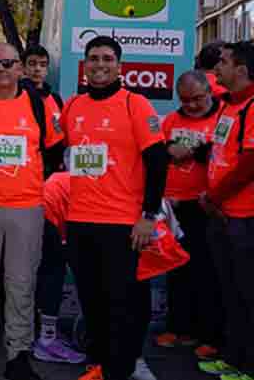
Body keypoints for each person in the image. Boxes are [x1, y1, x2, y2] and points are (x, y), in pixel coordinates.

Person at [61, 35, 167, 380]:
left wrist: (149, 215)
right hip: (79, 220)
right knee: (92, 300)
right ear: (85, 65)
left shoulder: (135, 104)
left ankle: (125, 365)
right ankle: (100, 363)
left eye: (107, 59)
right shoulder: (73, 106)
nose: (100, 65)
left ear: (119, 66)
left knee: (125, 303)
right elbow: (58, 155)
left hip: (123, 223)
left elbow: (157, 161)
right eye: (93, 59)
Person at [0, 43, 64, 380]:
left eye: (8, 64)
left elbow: (54, 149)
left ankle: (17, 354)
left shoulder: (39, 103)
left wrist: (32, 182)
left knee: (21, 283)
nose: (2, 70)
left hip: (26, 207)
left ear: (20, 68)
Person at [155, 71, 222, 357]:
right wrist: (169, 149)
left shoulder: (222, 118)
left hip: (207, 206)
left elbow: (226, 154)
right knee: (177, 270)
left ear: (209, 91)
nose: (192, 105)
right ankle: (178, 327)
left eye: (197, 99)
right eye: (185, 100)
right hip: (174, 206)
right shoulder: (170, 120)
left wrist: (193, 150)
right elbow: (157, 150)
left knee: (208, 273)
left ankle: (209, 335)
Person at [199, 41, 254, 380]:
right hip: (221, 214)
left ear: (242, 70)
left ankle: (248, 365)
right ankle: (233, 357)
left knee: (247, 292)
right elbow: (221, 150)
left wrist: (215, 196)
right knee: (230, 291)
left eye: (224, 62)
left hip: (244, 217)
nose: (217, 68)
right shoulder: (227, 106)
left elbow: (249, 163)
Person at [32, 171, 85, 365]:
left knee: (48, 272)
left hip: (34, 214)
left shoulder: (63, 176)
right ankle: (47, 340)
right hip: (46, 218)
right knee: (53, 272)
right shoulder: (86, 183)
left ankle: (46, 334)